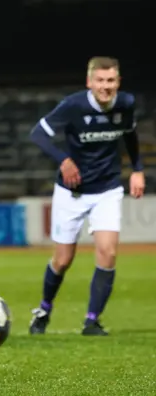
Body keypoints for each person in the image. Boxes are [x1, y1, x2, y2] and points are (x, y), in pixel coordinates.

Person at [28, 56, 144, 336]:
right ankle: (44, 310)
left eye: (111, 81)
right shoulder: (73, 105)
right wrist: (63, 160)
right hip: (72, 192)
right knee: (63, 260)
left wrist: (137, 169)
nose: (106, 86)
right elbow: (38, 134)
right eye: (101, 81)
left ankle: (92, 320)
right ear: (89, 82)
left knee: (108, 251)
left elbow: (130, 135)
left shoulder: (126, 103)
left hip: (107, 188)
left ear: (118, 82)